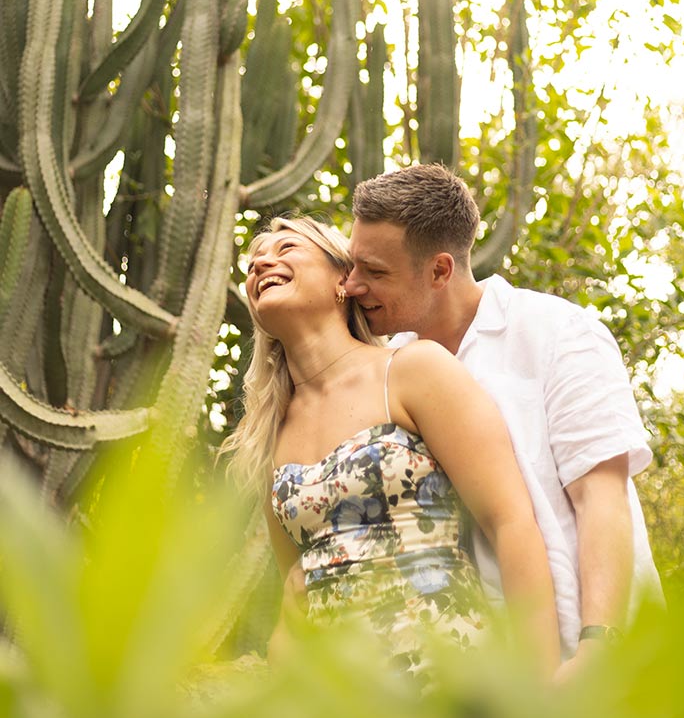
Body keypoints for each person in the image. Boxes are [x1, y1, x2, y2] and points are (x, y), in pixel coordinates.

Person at [346, 163, 662, 675]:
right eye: (353, 265)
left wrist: (598, 647)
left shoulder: (558, 333)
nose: (353, 285)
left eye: (375, 272)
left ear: (440, 271)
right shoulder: (387, 364)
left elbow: (602, 498)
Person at [225, 215, 560, 678]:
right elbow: (295, 586)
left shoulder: (413, 370)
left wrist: (538, 691)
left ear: (343, 280)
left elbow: (511, 521)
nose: (262, 261)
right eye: (254, 261)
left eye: (285, 249)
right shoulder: (269, 436)